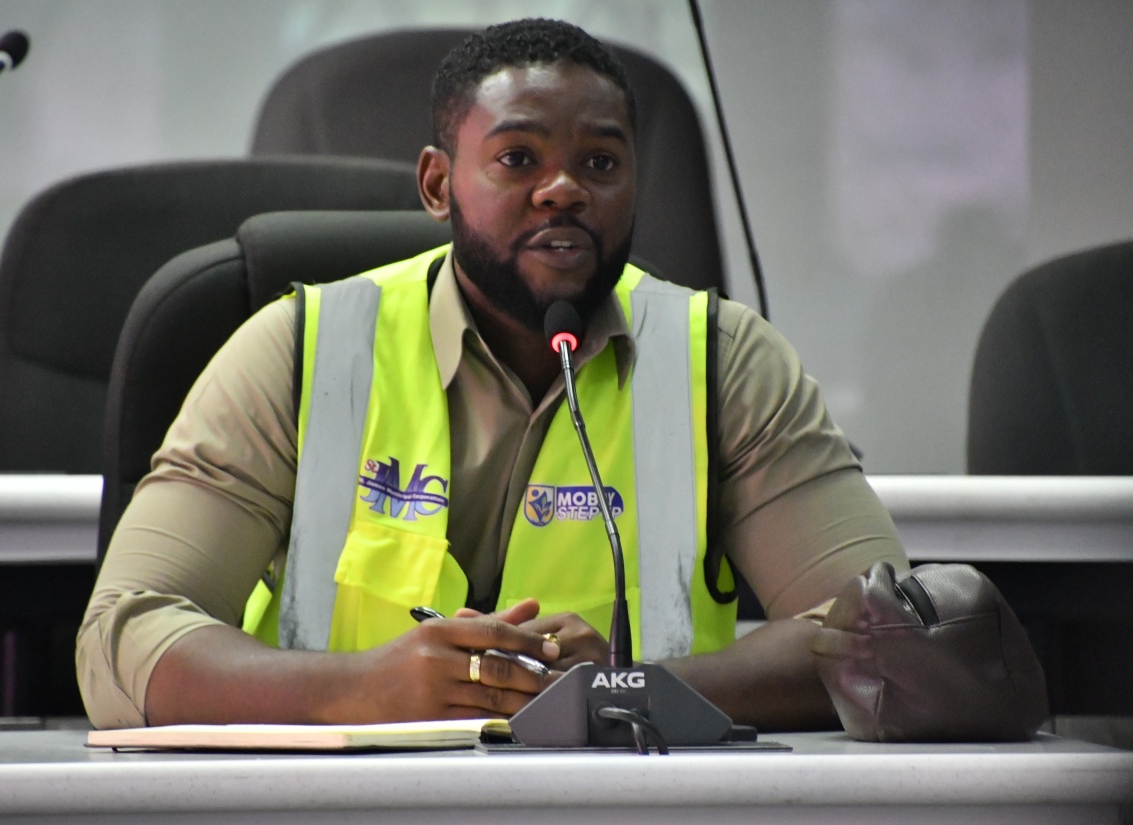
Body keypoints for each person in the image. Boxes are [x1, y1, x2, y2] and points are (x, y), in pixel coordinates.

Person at [77, 18, 907, 732]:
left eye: (601, 164)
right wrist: (362, 689)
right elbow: (120, 637)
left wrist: (626, 687)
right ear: (438, 184)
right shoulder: (299, 352)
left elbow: (887, 637)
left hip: (627, 805)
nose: (564, 190)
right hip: (336, 804)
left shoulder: (724, 361)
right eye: (517, 158)